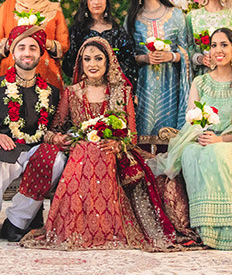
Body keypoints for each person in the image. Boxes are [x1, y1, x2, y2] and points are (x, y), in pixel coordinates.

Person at [21, 37, 190, 251]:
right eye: (87, 59)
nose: (92, 64)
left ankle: (107, 228)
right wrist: (58, 139)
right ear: (80, 63)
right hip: (82, 155)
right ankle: (79, 229)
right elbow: (54, 130)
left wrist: (118, 145)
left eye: (98, 58)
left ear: (108, 62)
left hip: (119, 155)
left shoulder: (121, 92)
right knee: (86, 148)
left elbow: (131, 135)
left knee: (100, 150)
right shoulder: (72, 92)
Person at [149, 28, 232, 250]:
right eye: (213, 45)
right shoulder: (200, 83)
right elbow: (192, 119)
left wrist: (220, 140)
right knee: (192, 153)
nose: (218, 50)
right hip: (201, 139)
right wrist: (204, 136)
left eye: (224, 45)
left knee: (216, 152)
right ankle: (206, 226)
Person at [0, 25, 66, 243]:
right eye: (21, 47)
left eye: (33, 48)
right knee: (0, 164)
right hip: (5, 148)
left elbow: (54, 128)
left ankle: (17, 222)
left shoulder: (51, 92)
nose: (27, 53)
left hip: (35, 148)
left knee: (57, 159)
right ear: (13, 52)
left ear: (40, 53)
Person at [127, 0, 191, 135]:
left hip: (171, 84)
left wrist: (170, 56)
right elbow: (128, 56)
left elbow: (187, 51)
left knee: (169, 133)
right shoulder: (133, 18)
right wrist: (145, 59)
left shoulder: (176, 15)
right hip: (143, 85)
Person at [62, 0, 138, 88]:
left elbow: (129, 62)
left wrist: (111, 73)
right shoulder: (77, 31)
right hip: (85, 90)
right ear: (85, 2)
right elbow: (68, 65)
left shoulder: (117, 31)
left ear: (106, 1)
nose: (96, 2)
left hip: (113, 90)